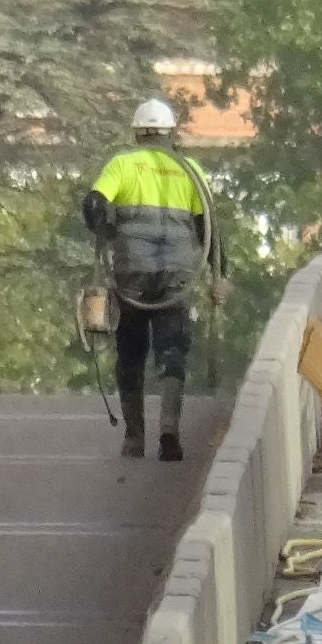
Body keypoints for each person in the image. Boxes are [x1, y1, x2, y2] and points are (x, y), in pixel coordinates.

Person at [83, 99, 229, 461]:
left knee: (130, 354)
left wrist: (105, 231)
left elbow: (93, 204)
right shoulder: (191, 169)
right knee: (172, 352)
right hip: (178, 276)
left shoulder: (123, 164)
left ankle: (134, 438)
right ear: (170, 132)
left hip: (131, 273)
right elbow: (208, 228)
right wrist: (220, 276)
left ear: (137, 132)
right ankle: (169, 429)